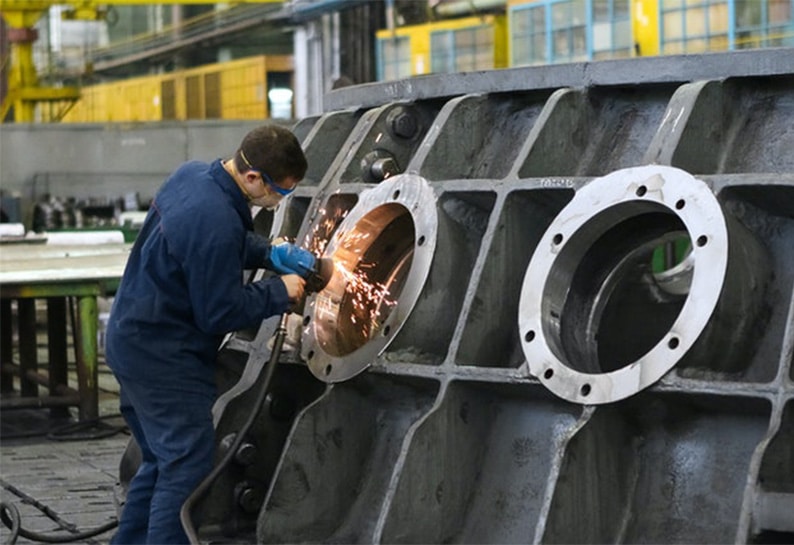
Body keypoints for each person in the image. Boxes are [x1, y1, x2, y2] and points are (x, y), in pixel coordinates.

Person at [105, 123, 315, 544]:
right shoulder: (215, 218)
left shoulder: (194, 176)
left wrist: (270, 253)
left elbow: (218, 243)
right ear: (254, 178)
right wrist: (279, 291)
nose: (280, 199)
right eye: (281, 191)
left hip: (131, 339)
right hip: (163, 358)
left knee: (160, 460)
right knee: (185, 464)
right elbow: (219, 312)